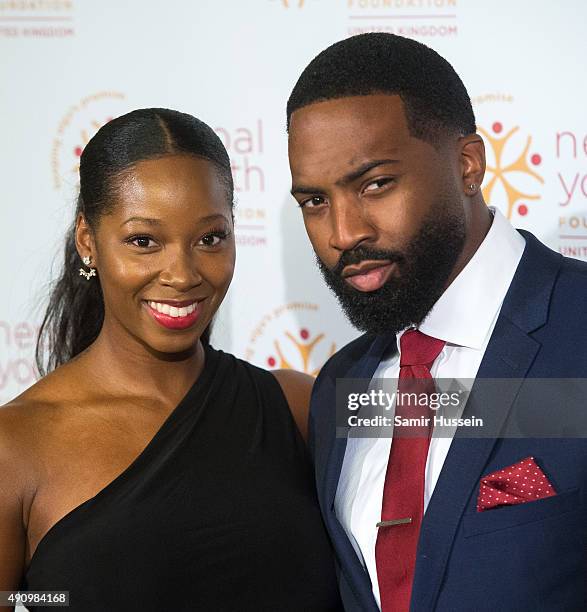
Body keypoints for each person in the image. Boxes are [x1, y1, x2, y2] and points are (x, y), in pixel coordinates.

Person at [286, 33, 587, 612]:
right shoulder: (340, 389)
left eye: (375, 184)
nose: (343, 233)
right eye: (314, 202)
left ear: (467, 163)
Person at [0, 108, 342, 611]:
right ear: (88, 241)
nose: (181, 275)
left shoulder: (297, 405)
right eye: (144, 241)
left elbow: (480, 414)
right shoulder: (15, 447)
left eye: (210, 238)